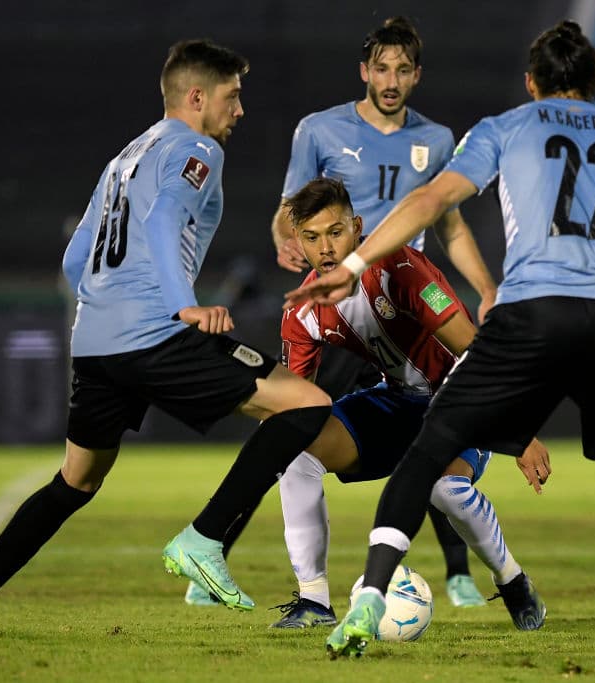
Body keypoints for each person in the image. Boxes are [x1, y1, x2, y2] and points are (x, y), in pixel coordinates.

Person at [286, 21, 595, 659]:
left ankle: (368, 602)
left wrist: (352, 265)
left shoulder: (506, 127)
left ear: (531, 83)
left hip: (533, 313)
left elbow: (431, 202)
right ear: (594, 85)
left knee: (427, 453)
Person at [0, 39, 331, 633]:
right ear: (198, 97)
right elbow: (164, 218)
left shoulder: (125, 157)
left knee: (75, 481)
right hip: (155, 333)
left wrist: (105, 310)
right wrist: (182, 305)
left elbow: (75, 260)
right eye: (233, 96)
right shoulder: (197, 148)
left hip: (95, 343)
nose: (240, 110)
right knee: (307, 403)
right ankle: (205, 538)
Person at [229, 178, 550, 628]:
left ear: (357, 228)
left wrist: (521, 433)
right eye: (312, 237)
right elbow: (296, 406)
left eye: (335, 232)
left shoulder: (400, 269)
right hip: (398, 403)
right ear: (297, 241)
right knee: (294, 447)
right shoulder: (303, 311)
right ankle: (314, 601)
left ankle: (512, 581)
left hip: (458, 401)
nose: (326, 248)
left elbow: (475, 351)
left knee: (445, 490)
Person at [267, 15, 498, 608]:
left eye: (402, 70)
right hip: (342, 305)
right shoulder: (319, 130)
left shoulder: (437, 140)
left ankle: (460, 573)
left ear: (417, 75)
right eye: (381, 68)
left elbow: (449, 225)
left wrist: (484, 286)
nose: (391, 80)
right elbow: (288, 212)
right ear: (364, 72)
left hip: (404, 299)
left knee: (436, 415)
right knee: (294, 429)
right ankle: (225, 547)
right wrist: (287, 242)